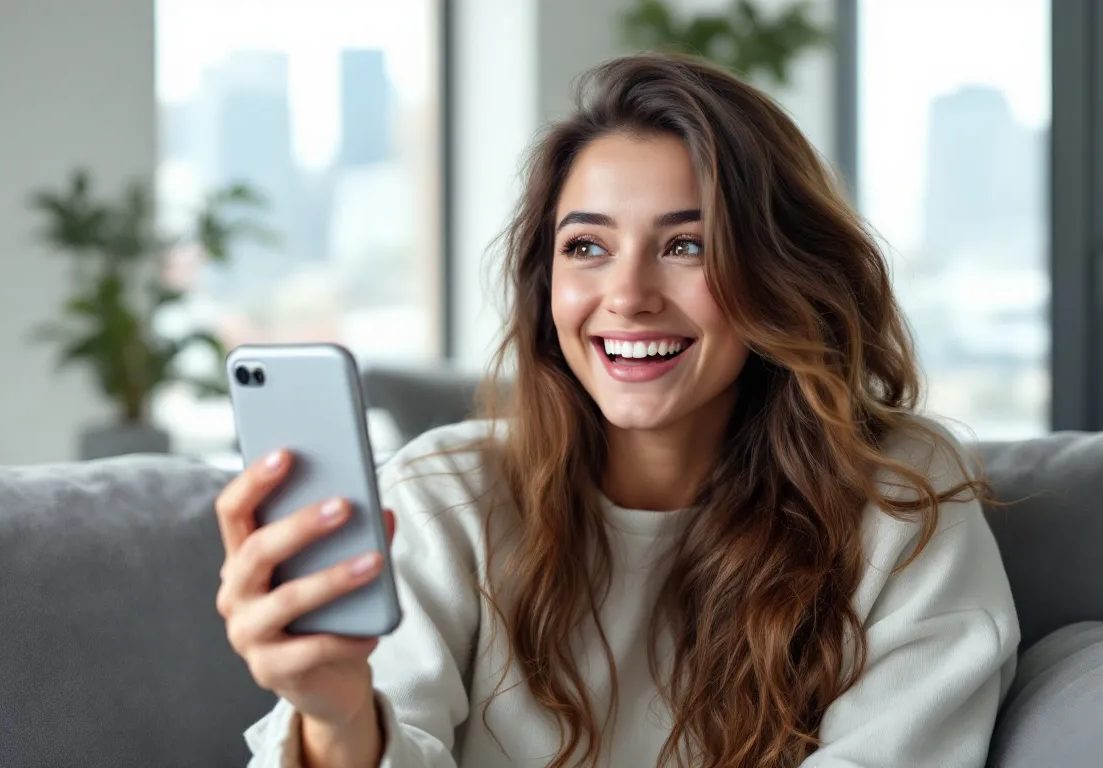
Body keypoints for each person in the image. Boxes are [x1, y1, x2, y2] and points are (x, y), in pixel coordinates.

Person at [216, 52, 1020, 768]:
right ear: (545, 287)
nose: (628, 297)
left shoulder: (898, 496)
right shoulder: (445, 499)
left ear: (778, 273)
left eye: (687, 246)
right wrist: (340, 715)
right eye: (587, 247)